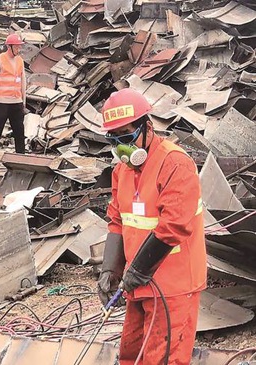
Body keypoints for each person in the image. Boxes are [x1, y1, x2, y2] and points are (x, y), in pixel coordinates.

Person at [97, 88, 207, 365]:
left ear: (147, 128)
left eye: (126, 137)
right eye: (114, 139)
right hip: (139, 281)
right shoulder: (122, 171)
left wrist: (137, 270)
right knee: (131, 354)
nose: (122, 147)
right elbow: (117, 220)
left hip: (173, 284)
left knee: (163, 358)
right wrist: (111, 269)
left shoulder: (175, 163)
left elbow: (173, 226)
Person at [0, 33, 27, 167]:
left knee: (19, 130)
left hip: (16, 101)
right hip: (2, 102)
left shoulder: (20, 60)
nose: (19, 49)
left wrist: (23, 101)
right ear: (9, 47)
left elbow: (23, 82)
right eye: (17, 47)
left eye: (20, 47)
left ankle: (20, 155)